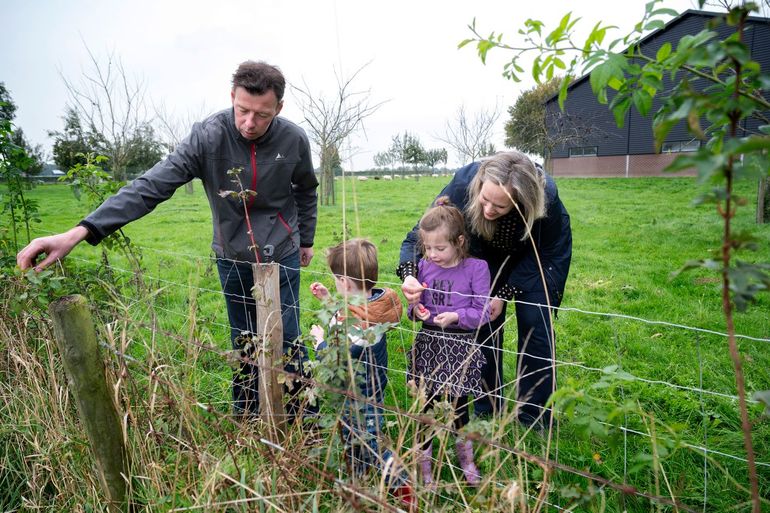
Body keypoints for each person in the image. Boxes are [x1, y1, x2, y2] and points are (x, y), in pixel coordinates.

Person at [16, 60, 319, 420]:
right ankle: (248, 421)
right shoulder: (208, 136)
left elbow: (305, 190)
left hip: (281, 251)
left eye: (262, 115)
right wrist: (80, 231)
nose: (249, 123)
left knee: (288, 339)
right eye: (242, 111)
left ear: (278, 109)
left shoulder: (294, 139)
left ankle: (306, 421)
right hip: (232, 254)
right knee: (244, 341)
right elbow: (151, 185)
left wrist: (306, 239)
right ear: (231, 98)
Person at [398, 151, 572, 429]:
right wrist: (409, 275)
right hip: (482, 253)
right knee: (482, 324)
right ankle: (487, 405)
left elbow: (542, 255)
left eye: (500, 207)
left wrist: (503, 293)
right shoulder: (461, 185)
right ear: (478, 186)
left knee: (535, 326)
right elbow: (419, 236)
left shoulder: (546, 199)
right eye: (485, 200)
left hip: (536, 256)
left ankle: (535, 416)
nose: (489, 210)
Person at [308, 238, 414, 507]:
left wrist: (319, 341)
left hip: (360, 397)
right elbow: (349, 310)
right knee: (354, 438)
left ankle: (403, 485)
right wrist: (329, 300)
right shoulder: (373, 307)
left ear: (345, 282)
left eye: (335, 281)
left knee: (371, 443)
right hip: (364, 390)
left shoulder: (359, 327)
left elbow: (334, 359)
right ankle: (359, 481)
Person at [404, 197, 490, 486]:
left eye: (439, 248)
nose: (432, 254)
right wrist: (416, 309)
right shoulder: (423, 267)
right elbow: (414, 308)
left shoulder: (476, 269)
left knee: (458, 408)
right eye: (427, 248)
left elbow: (482, 313)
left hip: (460, 347)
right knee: (426, 406)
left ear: (460, 241)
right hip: (429, 344)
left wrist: (455, 315)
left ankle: (466, 460)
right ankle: (424, 466)